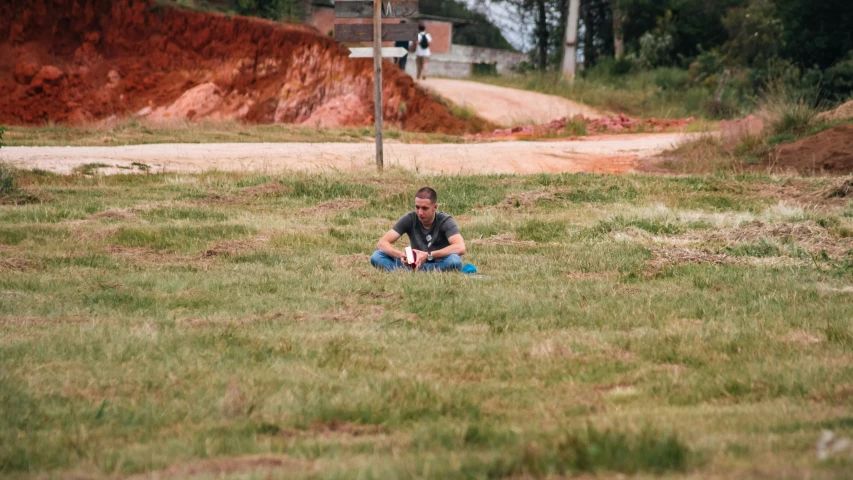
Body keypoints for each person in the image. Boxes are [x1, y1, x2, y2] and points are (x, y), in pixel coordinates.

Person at [370, 187, 465, 272]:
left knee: (454, 261)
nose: (420, 212)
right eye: (417, 207)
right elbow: (382, 243)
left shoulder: (445, 221)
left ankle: (405, 271)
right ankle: (423, 272)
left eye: (424, 208)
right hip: (415, 264)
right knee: (376, 256)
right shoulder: (410, 218)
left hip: (438, 262)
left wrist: (428, 255)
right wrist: (400, 255)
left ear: (435, 207)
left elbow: (460, 247)